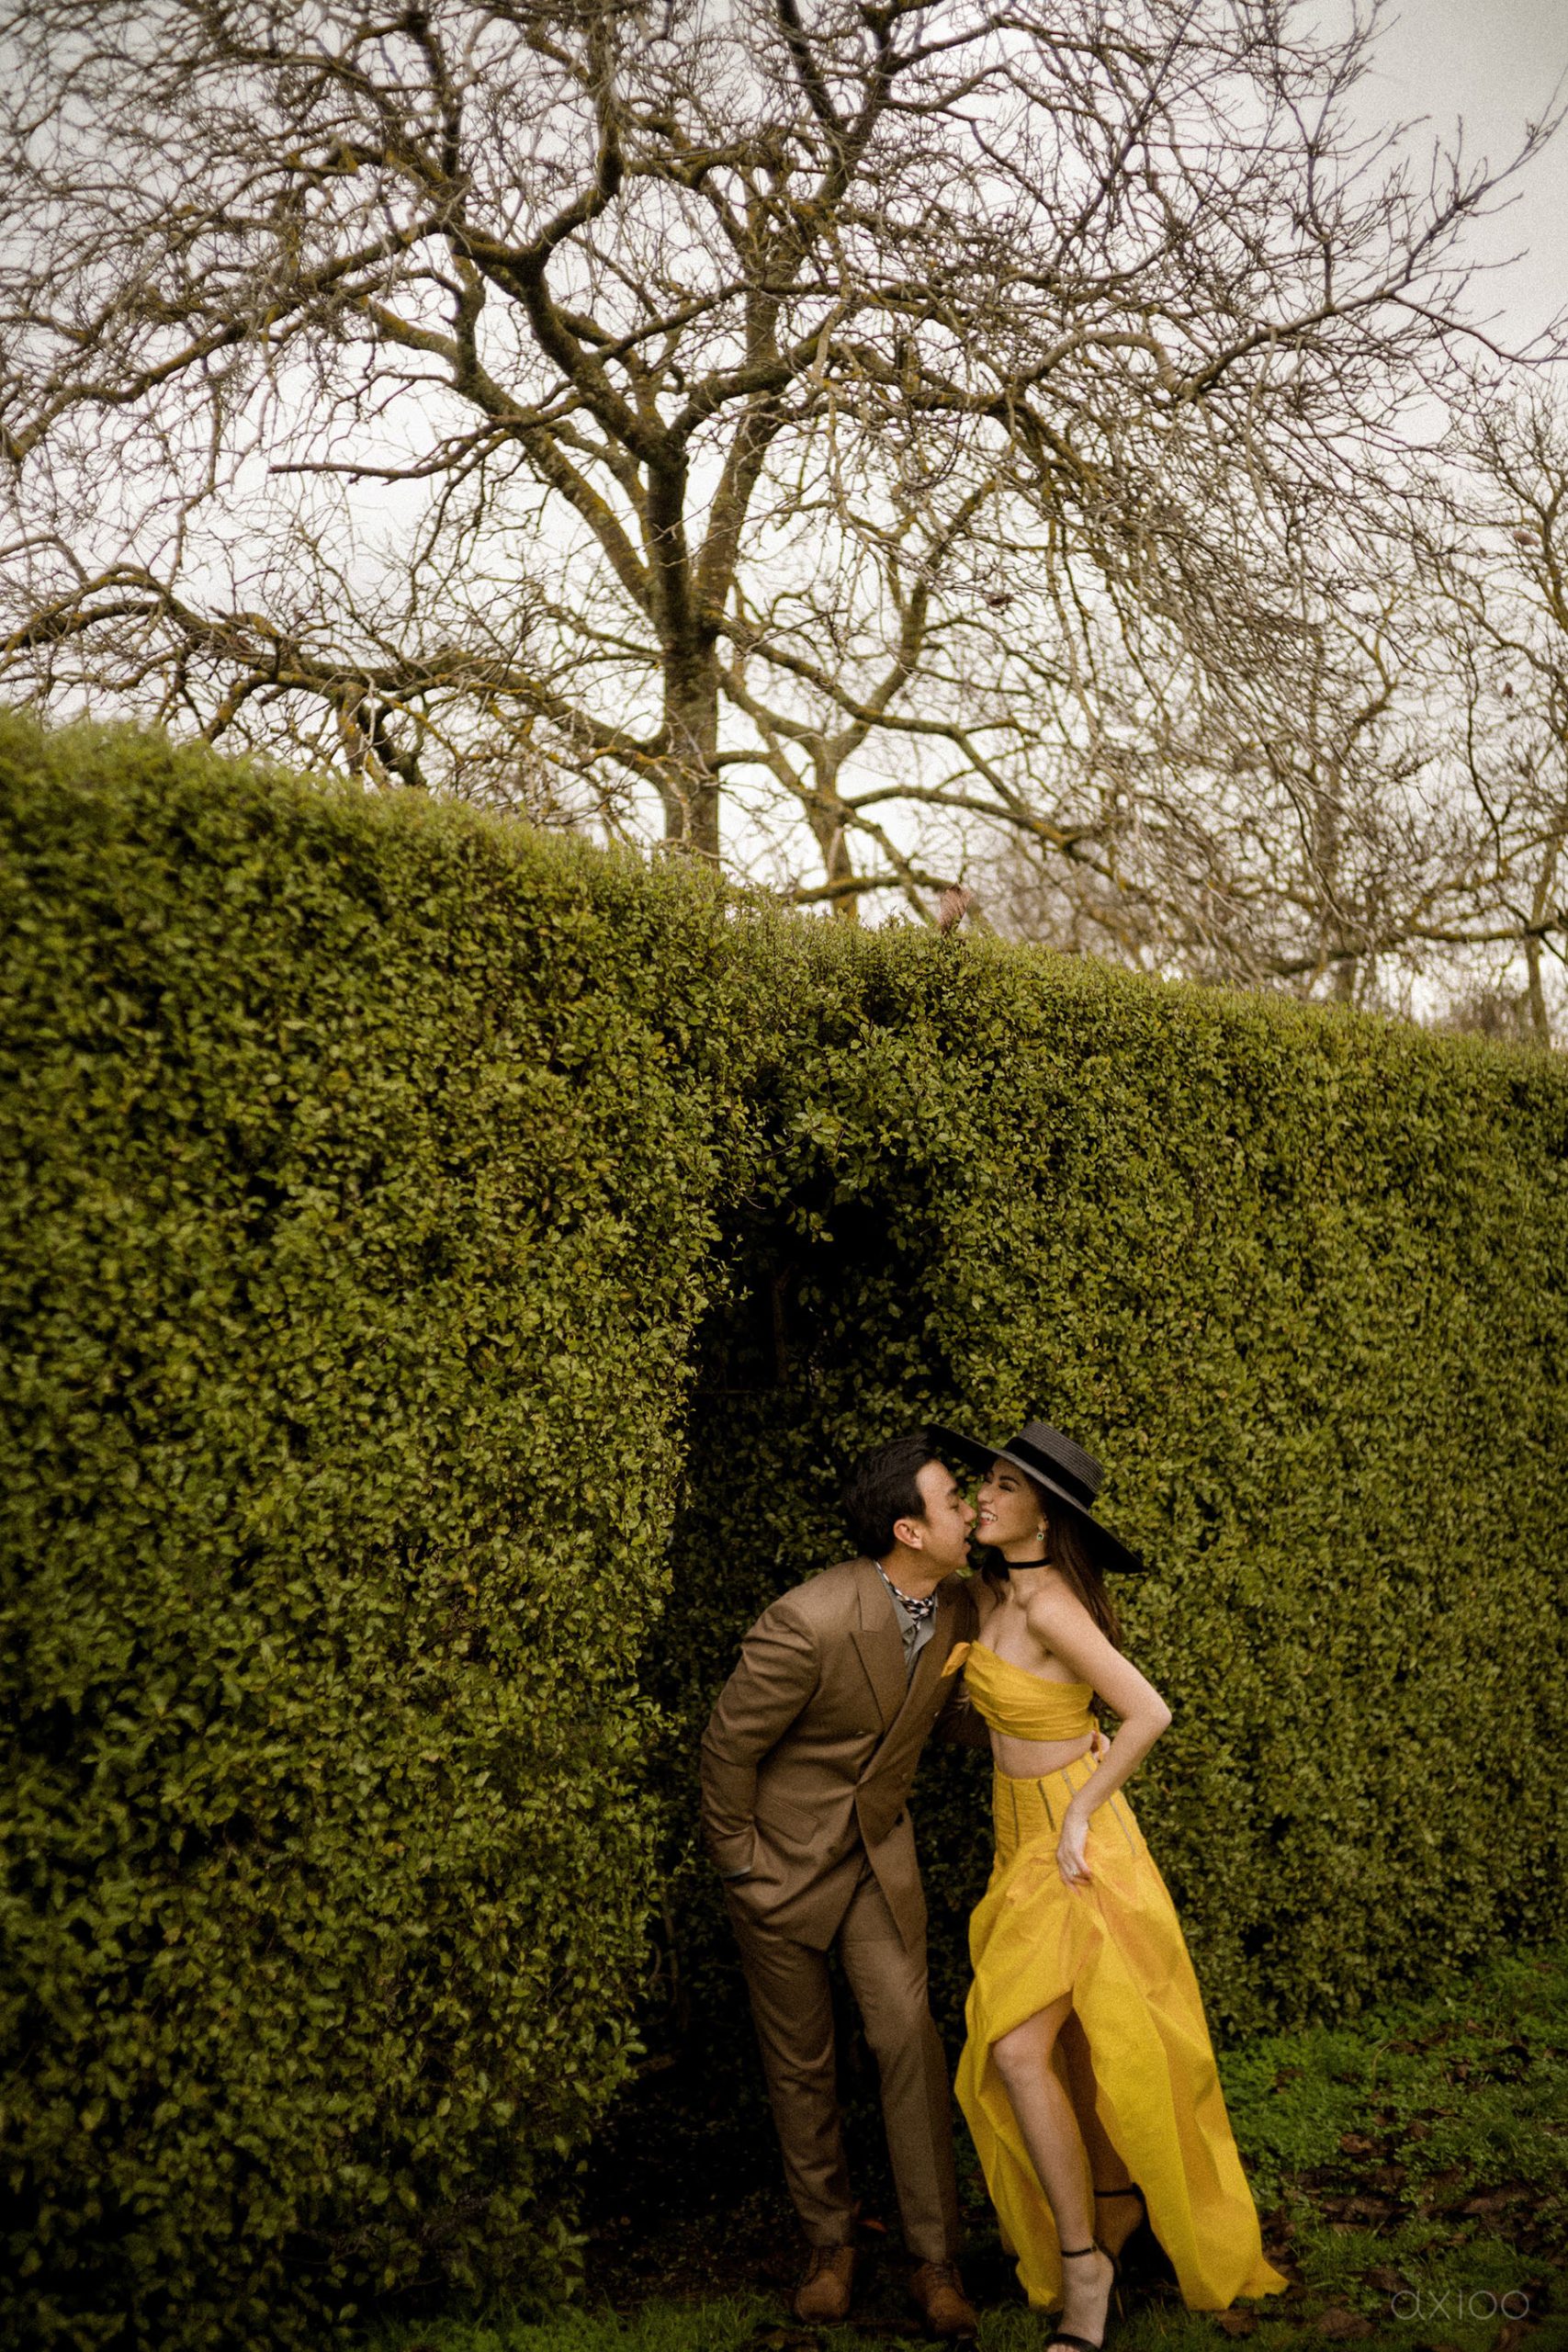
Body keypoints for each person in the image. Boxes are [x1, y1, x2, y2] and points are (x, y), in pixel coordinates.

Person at [932, 1418, 1288, 2352]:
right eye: (983, 1481)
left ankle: (1085, 2268)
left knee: (1018, 2051)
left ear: (1045, 1513)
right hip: (1018, 1841)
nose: (984, 1497)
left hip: (1073, 1852)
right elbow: (1011, 1712)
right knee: (1073, 2047)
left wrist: (1082, 1810)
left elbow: (1147, 1711)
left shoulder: (1052, 1609)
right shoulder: (993, 1594)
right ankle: (1115, 2202)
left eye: (1004, 1486)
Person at [700, 1432, 988, 2339]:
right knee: (801, 2064)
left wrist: (1058, 1727)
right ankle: (829, 2247)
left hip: (877, 1859)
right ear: (910, 1529)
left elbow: (945, 1718)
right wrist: (742, 1866)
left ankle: (934, 2260)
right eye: (954, 1500)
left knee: (908, 2038)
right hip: (780, 1868)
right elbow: (727, 1749)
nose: (970, 1511)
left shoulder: (960, 1605)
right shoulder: (807, 1620)